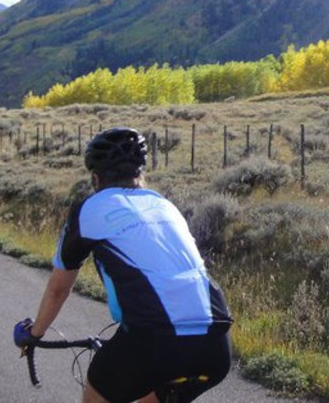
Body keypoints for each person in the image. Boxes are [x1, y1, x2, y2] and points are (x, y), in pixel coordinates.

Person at [14, 127, 233, 403]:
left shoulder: (91, 209)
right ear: (141, 174)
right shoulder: (164, 205)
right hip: (215, 344)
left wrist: (34, 335)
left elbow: (59, 288)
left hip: (152, 339)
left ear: (95, 178)